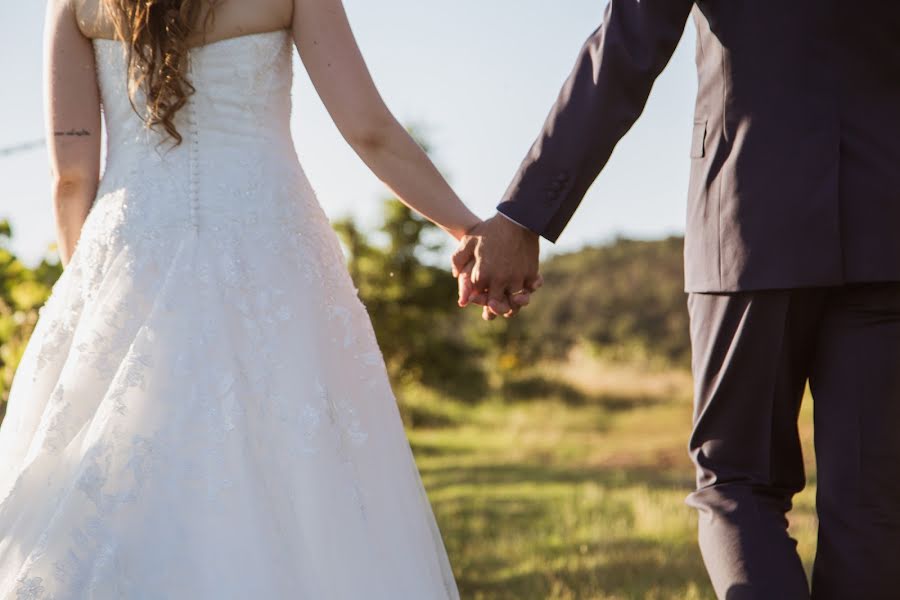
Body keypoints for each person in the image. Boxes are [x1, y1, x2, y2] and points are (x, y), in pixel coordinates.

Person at [0, 0, 509, 596]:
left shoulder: (73, 6)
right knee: (303, 472)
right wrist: (469, 231)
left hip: (132, 246)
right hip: (271, 248)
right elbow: (369, 130)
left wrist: (88, 293)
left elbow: (71, 178)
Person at [453, 1, 900, 598]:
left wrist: (522, 216)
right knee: (872, 502)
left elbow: (625, 49)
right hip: (886, 228)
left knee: (738, 483)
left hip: (750, 221)